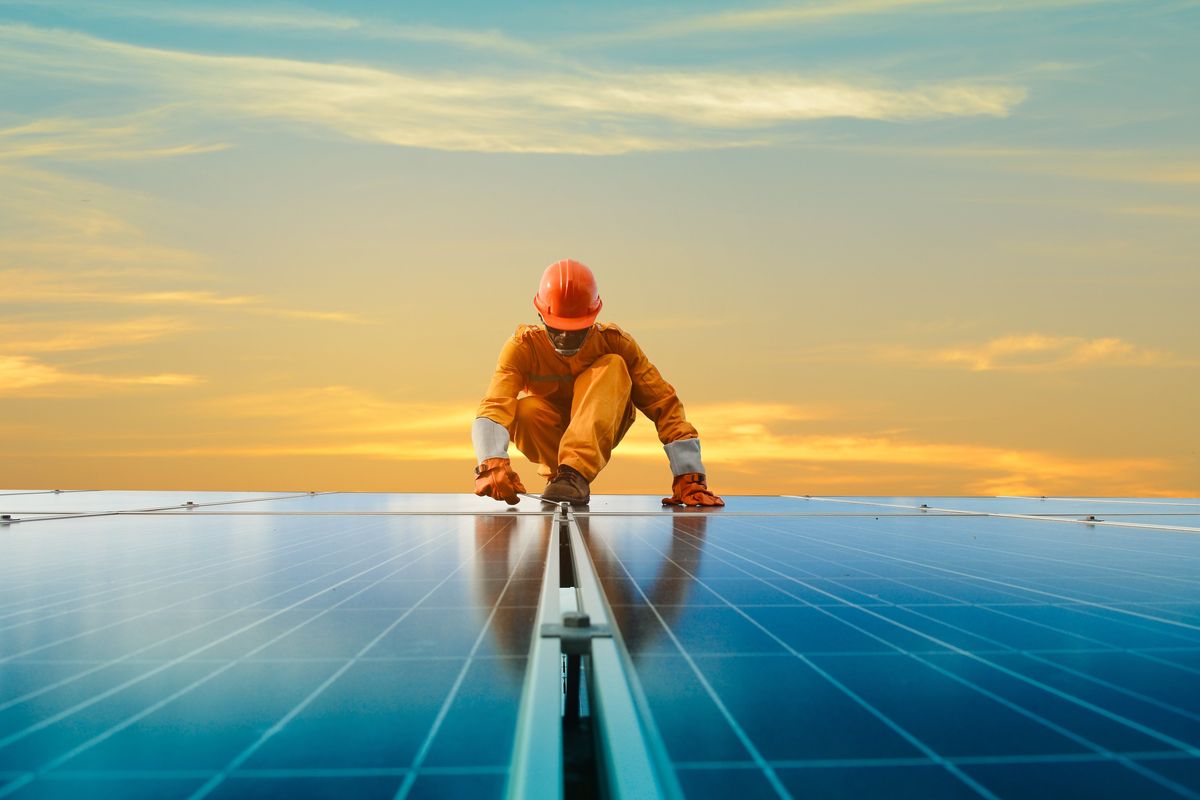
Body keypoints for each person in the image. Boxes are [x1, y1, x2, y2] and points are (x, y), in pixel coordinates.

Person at [472, 258, 724, 507]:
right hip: (552, 437)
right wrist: (490, 461)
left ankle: (574, 474)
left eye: (575, 331)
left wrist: (688, 474)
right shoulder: (522, 349)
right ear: (540, 315)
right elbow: (495, 405)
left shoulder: (616, 343)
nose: (564, 339)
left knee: (613, 365)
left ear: (593, 317)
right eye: (556, 329)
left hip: (604, 421)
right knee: (524, 410)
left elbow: (663, 403)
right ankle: (562, 476)